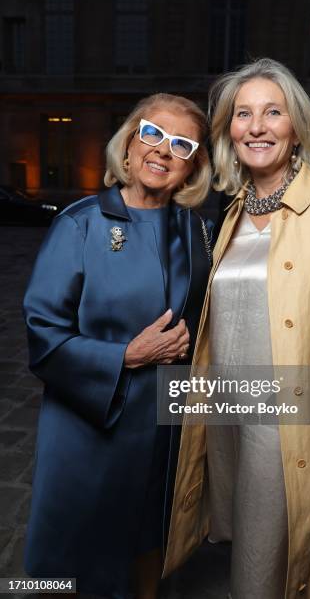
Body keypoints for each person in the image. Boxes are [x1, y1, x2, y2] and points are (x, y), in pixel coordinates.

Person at [161, 59, 310, 598]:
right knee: (248, 549)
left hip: (297, 418)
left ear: (297, 127)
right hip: (229, 417)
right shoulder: (231, 213)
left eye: (273, 112)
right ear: (228, 130)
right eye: (243, 114)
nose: (257, 126)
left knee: (279, 566)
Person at [23, 93, 213, 599]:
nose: (163, 150)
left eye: (181, 144)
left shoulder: (195, 230)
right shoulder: (80, 223)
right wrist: (126, 355)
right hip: (88, 427)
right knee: (73, 556)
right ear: (129, 144)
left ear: (193, 165)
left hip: (160, 425)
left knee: (149, 538)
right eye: (152, 133)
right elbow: (42, 336)